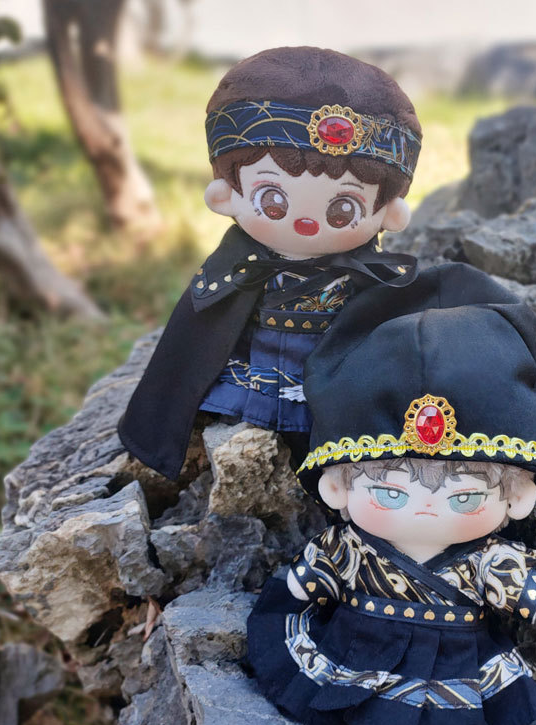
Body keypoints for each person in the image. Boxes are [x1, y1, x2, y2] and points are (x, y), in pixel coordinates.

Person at [247, 263, 536, 725]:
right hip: (353, 645)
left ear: (517, 497)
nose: (425, 511)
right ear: (337, 487)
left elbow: (526, 602)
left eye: (463, 497)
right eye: (390, 494)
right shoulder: (347, 549)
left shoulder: (486, 560)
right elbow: (303, 586)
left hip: (458, 658)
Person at [118, 46, 422, 479]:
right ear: (225, 196)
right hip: (250, 373)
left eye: (343, 210)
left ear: (389, 214)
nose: (305, 223)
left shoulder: (373, 281)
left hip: (327, 379)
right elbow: (194, 335)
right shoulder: (236, 267)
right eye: (273, 200)